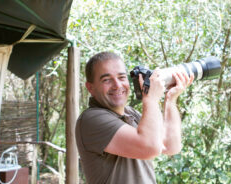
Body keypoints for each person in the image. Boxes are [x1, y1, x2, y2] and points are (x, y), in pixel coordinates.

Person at [75, 52, 194, 184]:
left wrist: (171, 99)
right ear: (90, 88)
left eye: (121, 77)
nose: (117, 85)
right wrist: (151, 98)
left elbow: (170, 146)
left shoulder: (130, 113)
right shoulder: (91, 119)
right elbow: (150, 147)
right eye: (106, 80)